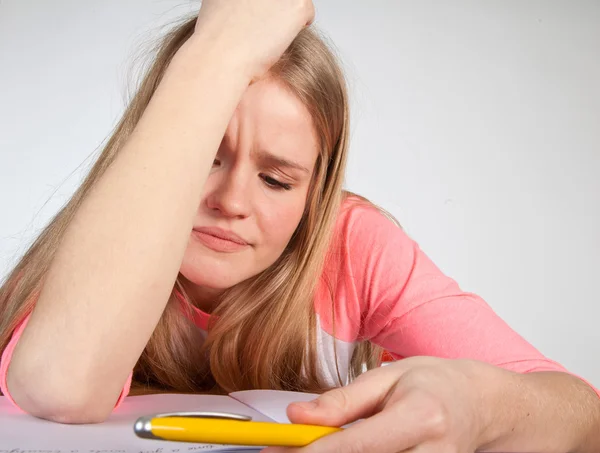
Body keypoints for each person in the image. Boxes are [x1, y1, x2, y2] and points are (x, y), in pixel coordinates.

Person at [0, 1, 598, 452]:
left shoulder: (351, 247)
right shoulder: (101, 236)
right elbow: (59, 387)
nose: (231, 201)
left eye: (277, 180)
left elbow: (581, 413)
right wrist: (217, 52)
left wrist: (485, 407)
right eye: (203, 155)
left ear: (315, 194)